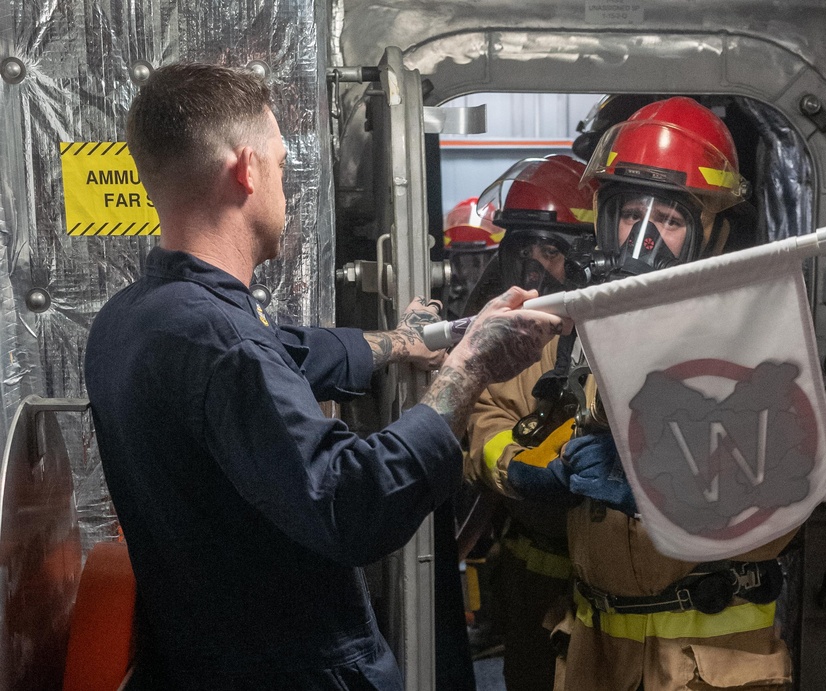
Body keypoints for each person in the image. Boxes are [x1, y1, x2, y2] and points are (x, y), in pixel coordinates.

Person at [83, 62, 566, 690]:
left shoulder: (132, 320)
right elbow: (353, 503)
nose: (285, 188)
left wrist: (399, 343)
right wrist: (467, 371)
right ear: (246, 170)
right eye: (282, 166)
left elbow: (288, 350)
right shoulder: (224, 347)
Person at [492, 98, 794, 689]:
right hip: (594, 657)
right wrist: (530, 468)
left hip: (707, 667)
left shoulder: (752, 338)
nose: (645, 238)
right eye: (632, 214)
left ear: (712, 232)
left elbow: (785, 492)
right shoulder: (578, 331)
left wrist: (662, 484)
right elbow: (498, 413)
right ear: (605, 220)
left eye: (671, 221)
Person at [465, 155, 598, 691]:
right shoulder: (507, 334)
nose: (534, 267)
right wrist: (516, 466)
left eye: (551, 249)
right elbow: (481, 413)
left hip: (609, 587)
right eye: (522, 249)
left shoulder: (620, 327)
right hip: (530, 579)